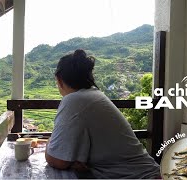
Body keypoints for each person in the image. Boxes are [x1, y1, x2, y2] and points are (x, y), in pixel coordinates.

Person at [45, 49, 161, 179]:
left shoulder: (75, 100)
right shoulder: (94, 96)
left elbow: (57, 160)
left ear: (59, 80)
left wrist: (49, 143)